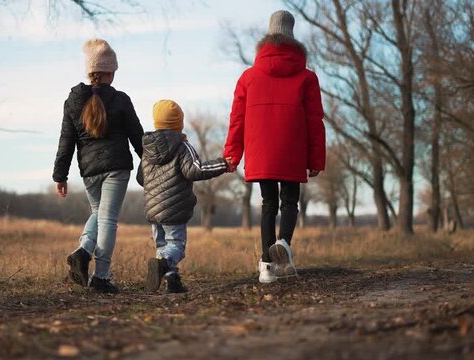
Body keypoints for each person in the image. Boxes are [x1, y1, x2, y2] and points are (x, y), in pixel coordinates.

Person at [223, 10, 325, 283]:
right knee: (290, 202)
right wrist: (316, 159)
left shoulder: (248, 77)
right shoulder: (307, 77)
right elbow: (315, 121)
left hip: (260, 151)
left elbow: (237, 119)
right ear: (292, 37)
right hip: (292, 150)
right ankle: (285, 246)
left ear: (267, 38)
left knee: (268, 204)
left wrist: (232, 154)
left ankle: (267, 266)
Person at [53, 39, 144, 294]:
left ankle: (83, 251)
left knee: (98, 214)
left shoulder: (73, 101)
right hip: (116, 167)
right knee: (108, 219)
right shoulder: (121, 100)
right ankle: (101, 276)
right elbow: (137, 137)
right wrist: (151, 162)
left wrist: (60, 175)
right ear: (107, 72)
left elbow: (66, 141)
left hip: (89, 170)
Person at [137, 100, 229, 293]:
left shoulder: (147, 150)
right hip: (175, 207)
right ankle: (163, 264)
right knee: (176, 245)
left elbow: (141, 178)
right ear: (179, 123)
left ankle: (173, 281)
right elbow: (195, 170)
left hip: (153, 209)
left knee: (162, 245)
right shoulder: (182, 146)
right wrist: (223, 164)